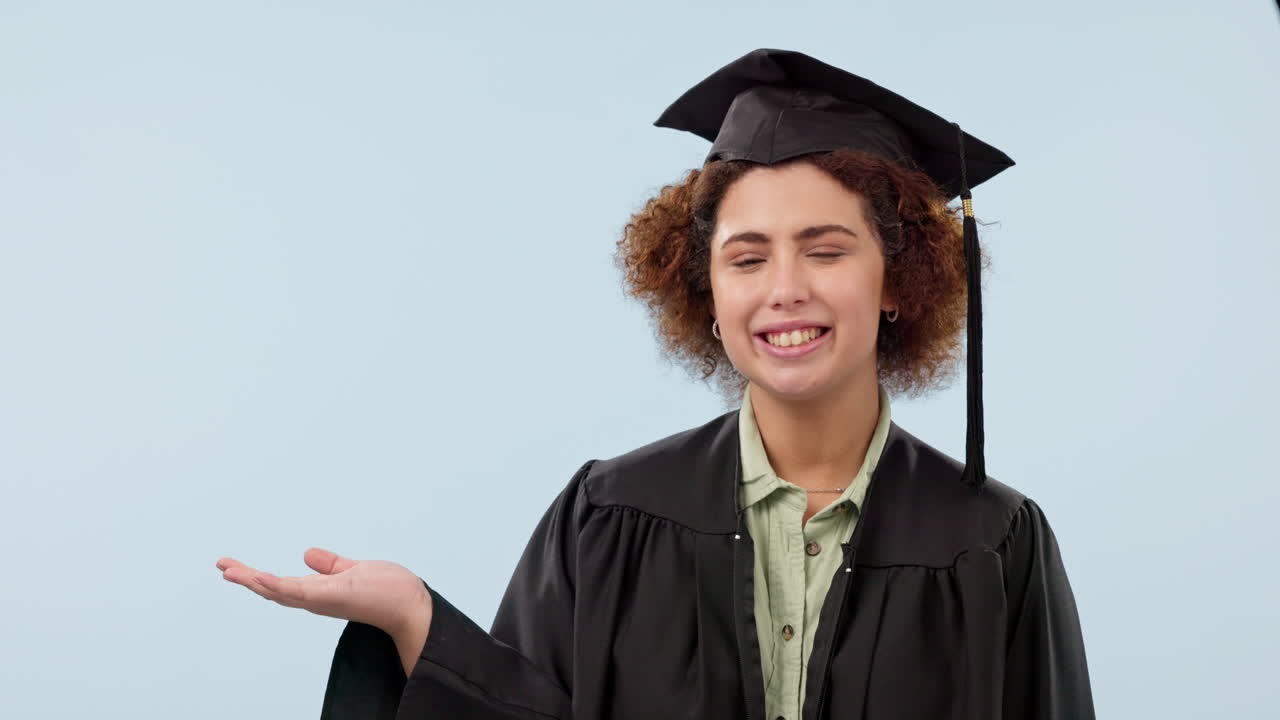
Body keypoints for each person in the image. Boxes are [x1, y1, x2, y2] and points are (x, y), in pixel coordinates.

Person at [217, 48, 1096, 719]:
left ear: (900, 282)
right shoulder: (608, 515)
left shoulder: (993, 542)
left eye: (827, 250)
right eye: (746, 258)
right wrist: (417, 624)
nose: (784, 287)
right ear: (704, 294)